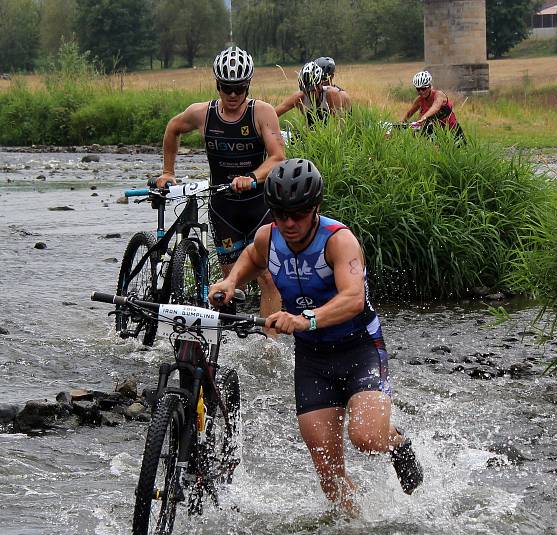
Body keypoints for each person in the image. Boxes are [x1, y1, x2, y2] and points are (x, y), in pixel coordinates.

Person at [209, 158, 423, 511]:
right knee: (328, 470)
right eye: (280, 213)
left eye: (299, 214)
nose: (289, 223)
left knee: (366, 438)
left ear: (316, 207)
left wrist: (304, 320)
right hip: (312, 360)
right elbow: (251, 254)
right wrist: (231, 281)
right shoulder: (269, 236)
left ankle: (397, 443)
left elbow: (353, 299)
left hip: (359, 348)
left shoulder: (339, 241)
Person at [156, 46, 285, 319]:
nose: (234, 95)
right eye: (227, 88)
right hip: (223, 208)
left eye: (239, 88)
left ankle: (269, 347)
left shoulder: (261, 112)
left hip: (257, 205)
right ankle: (225, 340)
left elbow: (277, 157)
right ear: (218, 85)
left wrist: (251, 178)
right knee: (229, 286)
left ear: (248, 86)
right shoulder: (202, 114)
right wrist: (168, 172)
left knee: (267, 278)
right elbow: (173, 128)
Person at [275, 61, 350, 126]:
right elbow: (273, 113)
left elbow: (340, 125)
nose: (309, 94)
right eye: (306, 91)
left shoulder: (332, 94)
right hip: (310, 135)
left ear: (320, 84)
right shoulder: (299, 97)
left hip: (330, 136)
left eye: (313, 90)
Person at [402, 70, 465, 143]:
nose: (421, 92)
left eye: (423, 88)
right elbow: (409, 114)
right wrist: (402, 123)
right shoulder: (419, 100)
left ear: (429, 86)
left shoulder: (439, 95)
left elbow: (436, 107)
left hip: (452, 128)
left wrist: (424, 117)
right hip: (436, 131)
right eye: (418, 89)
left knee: (463, 151)